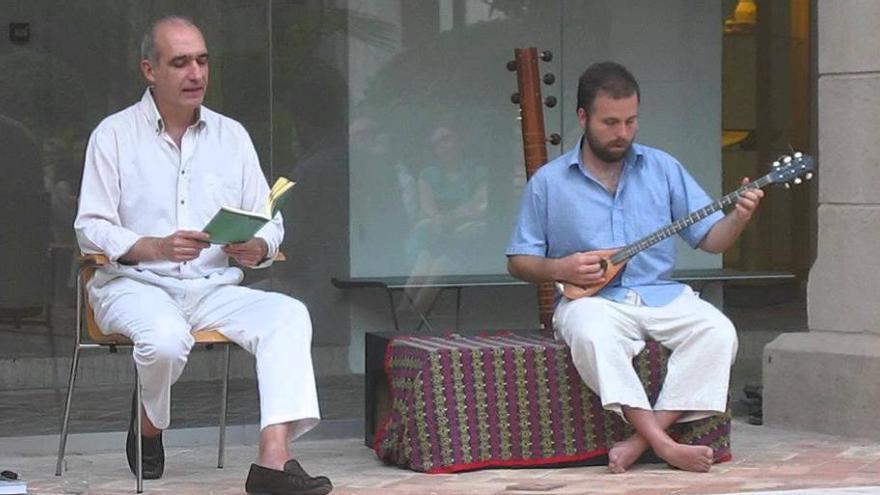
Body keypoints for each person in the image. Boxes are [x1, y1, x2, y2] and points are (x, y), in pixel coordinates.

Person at [74, 16, 332, 494]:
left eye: (202, 60)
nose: (195, 72)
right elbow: (90, 227)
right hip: (134, 285)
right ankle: (149, 424)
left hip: (212, 287)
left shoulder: (231, 136)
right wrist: (153, 246)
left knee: (288, 315)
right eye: (180, 62)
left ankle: (274, 461)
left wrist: (258, 245)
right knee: (166, 339)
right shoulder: (113, 135)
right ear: (149, 70)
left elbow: (268, 217)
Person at [505, 61, 763, 474]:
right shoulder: (549, 183)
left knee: (719, 332)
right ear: (583, 118)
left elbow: (709, 238)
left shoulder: (663, 168)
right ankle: (666, 444)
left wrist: (739, 218)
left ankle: (643, 441)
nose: (622, 133)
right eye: (610, 122)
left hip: (661, 294)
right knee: (591, 335)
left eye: (630, 121)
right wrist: (561, 267)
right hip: (594, 301)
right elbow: (519, 261)